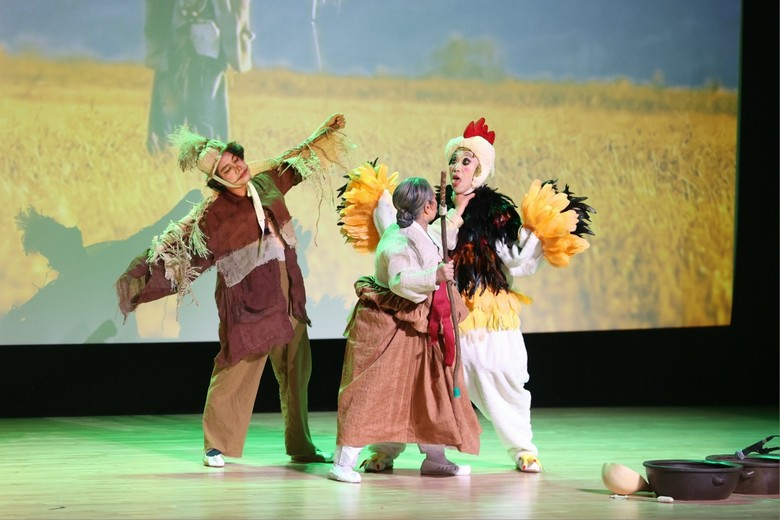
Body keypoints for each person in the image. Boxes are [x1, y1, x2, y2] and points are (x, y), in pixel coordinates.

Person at [358, 118, 593, 475]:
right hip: (437, 304)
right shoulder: (432, 205)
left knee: (498, 373)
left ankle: (523, 448)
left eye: (466, 161)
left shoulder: (495, 213)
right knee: (415, 378)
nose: (457, 167)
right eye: (454, 160)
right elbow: (409, 241)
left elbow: (516, 258)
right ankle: (386, 449)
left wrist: (540, 232)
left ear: (480, 170)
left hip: (483, 307)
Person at [116, 112, 352, 468]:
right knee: (236, 368)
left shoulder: (266, 182)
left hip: (288, 293)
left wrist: (325, 133)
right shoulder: (213, 215)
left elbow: (295, 160)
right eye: (226, 169)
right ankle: (216, 444)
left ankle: (301, 445)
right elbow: (181, 249)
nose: (237, 169)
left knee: (296, 371)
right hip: (249, 302)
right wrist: (138, 280)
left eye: (236, 160)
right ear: (217, 179)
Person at [328, 176, 482, 484]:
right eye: (433, 203)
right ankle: (343, 463)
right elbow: (400, 281)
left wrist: (459, 208)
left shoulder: (418, 230)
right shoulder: (399, 240)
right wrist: (434, 275)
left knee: (432, 387)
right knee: (373, 389)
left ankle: (435, 458)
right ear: (427, 207)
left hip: (421, 323)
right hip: (392, 323)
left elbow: (441, 236)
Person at [143, 0, 254, 154]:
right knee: (169, 106)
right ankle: (163, 153)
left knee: (208, 108)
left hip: (209, 45)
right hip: (174, 41)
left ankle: (210, 155)